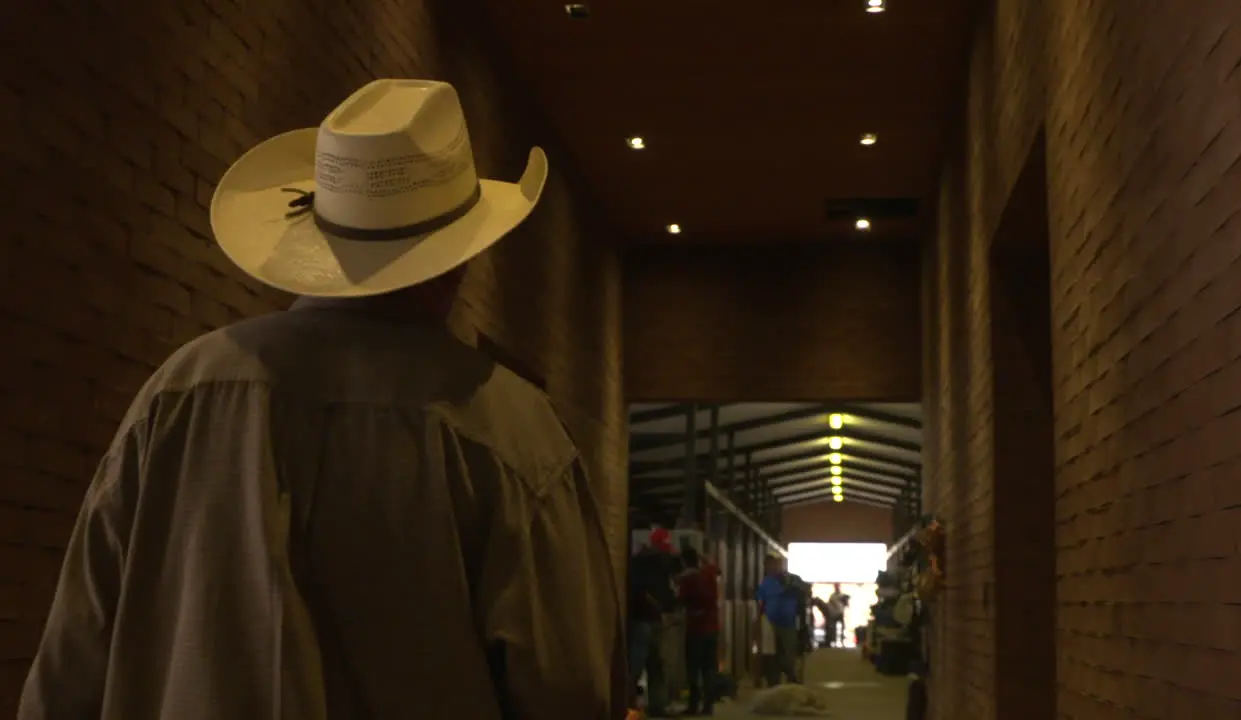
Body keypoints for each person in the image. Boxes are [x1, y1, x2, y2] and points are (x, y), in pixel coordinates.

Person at [18, 79, 626, 720]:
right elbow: (570, 690)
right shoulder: (513, 433)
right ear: (457, 259)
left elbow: (72, 662)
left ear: (318, 236)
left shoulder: (178, 394)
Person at [630, 528, 680, 716]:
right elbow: (641, 592)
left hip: (652, 621)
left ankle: (656, 705)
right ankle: (628, 703)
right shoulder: (645, 565)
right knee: (640, 664)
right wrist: (661, 609)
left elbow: (665, 592)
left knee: (655, 664)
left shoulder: (654, 564)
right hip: (644, 620)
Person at [676, 546, 720, 716]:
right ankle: (708, 705)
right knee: (709, 668)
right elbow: (713, 566)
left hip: (696, 629)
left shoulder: (688, 580)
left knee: (693, 669)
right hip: (712, 628)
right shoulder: (708, 574)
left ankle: (693, 704)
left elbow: (680, 601)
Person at [756, 556, 801, 686]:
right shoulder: (766, 583)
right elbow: (761, 603)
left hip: (787, 622)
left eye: (774, 565)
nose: (772, 568)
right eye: (769, 566)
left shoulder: (791, 580)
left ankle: (790, 675)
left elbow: (800, 597)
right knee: (770, 654)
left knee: (787, 652)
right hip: (771, 622)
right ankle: (773, 679)